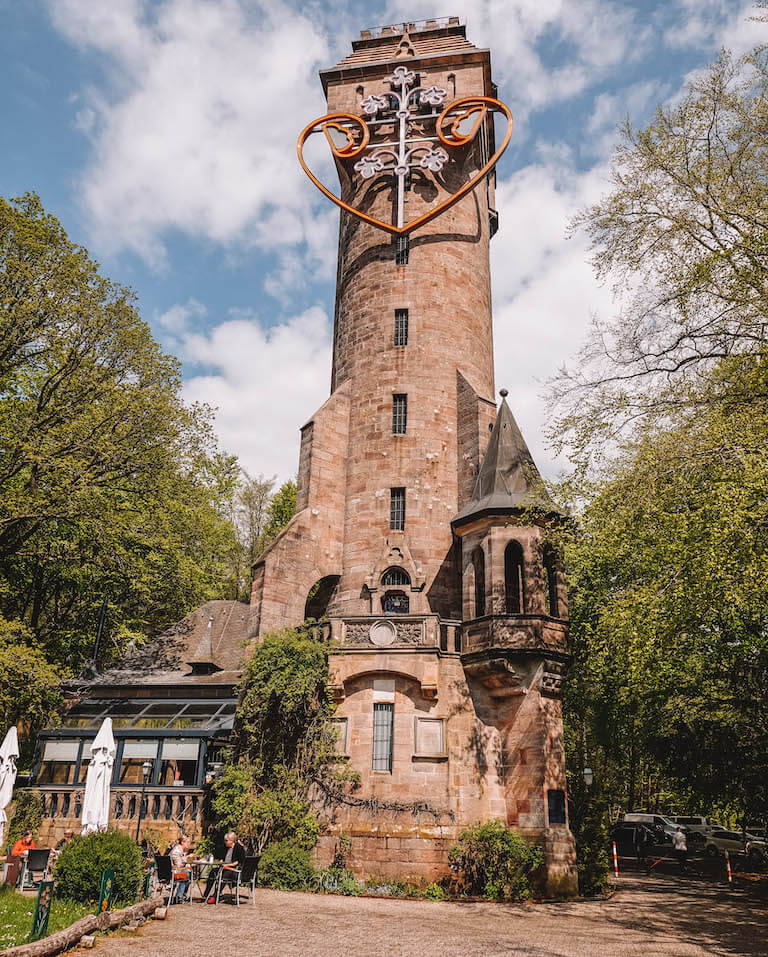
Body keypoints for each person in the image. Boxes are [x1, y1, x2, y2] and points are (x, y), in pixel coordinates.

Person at [201, 832, 245, 903]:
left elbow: (239, 861)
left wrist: (228, 865)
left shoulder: (239, 848)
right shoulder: (225, 847)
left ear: (232, 841)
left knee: (225, 874)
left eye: (226, 840)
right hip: (224, 867)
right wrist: (221, 861)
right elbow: (222, 857)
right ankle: (206, 894)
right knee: (213, 871)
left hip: (234, 870)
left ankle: (215, 896)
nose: (225, 842)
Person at [169, 836, 192, 904]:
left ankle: (181, 896)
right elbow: (178, 866)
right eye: (187, 842)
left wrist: (187, 858)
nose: (189, 844)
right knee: (187, 872)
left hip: (175, 871)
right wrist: (187, 866)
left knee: (188, 872)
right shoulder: (177, 851)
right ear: (182, 842)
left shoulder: (180, 850)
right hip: (173, 873)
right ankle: (179, 896)